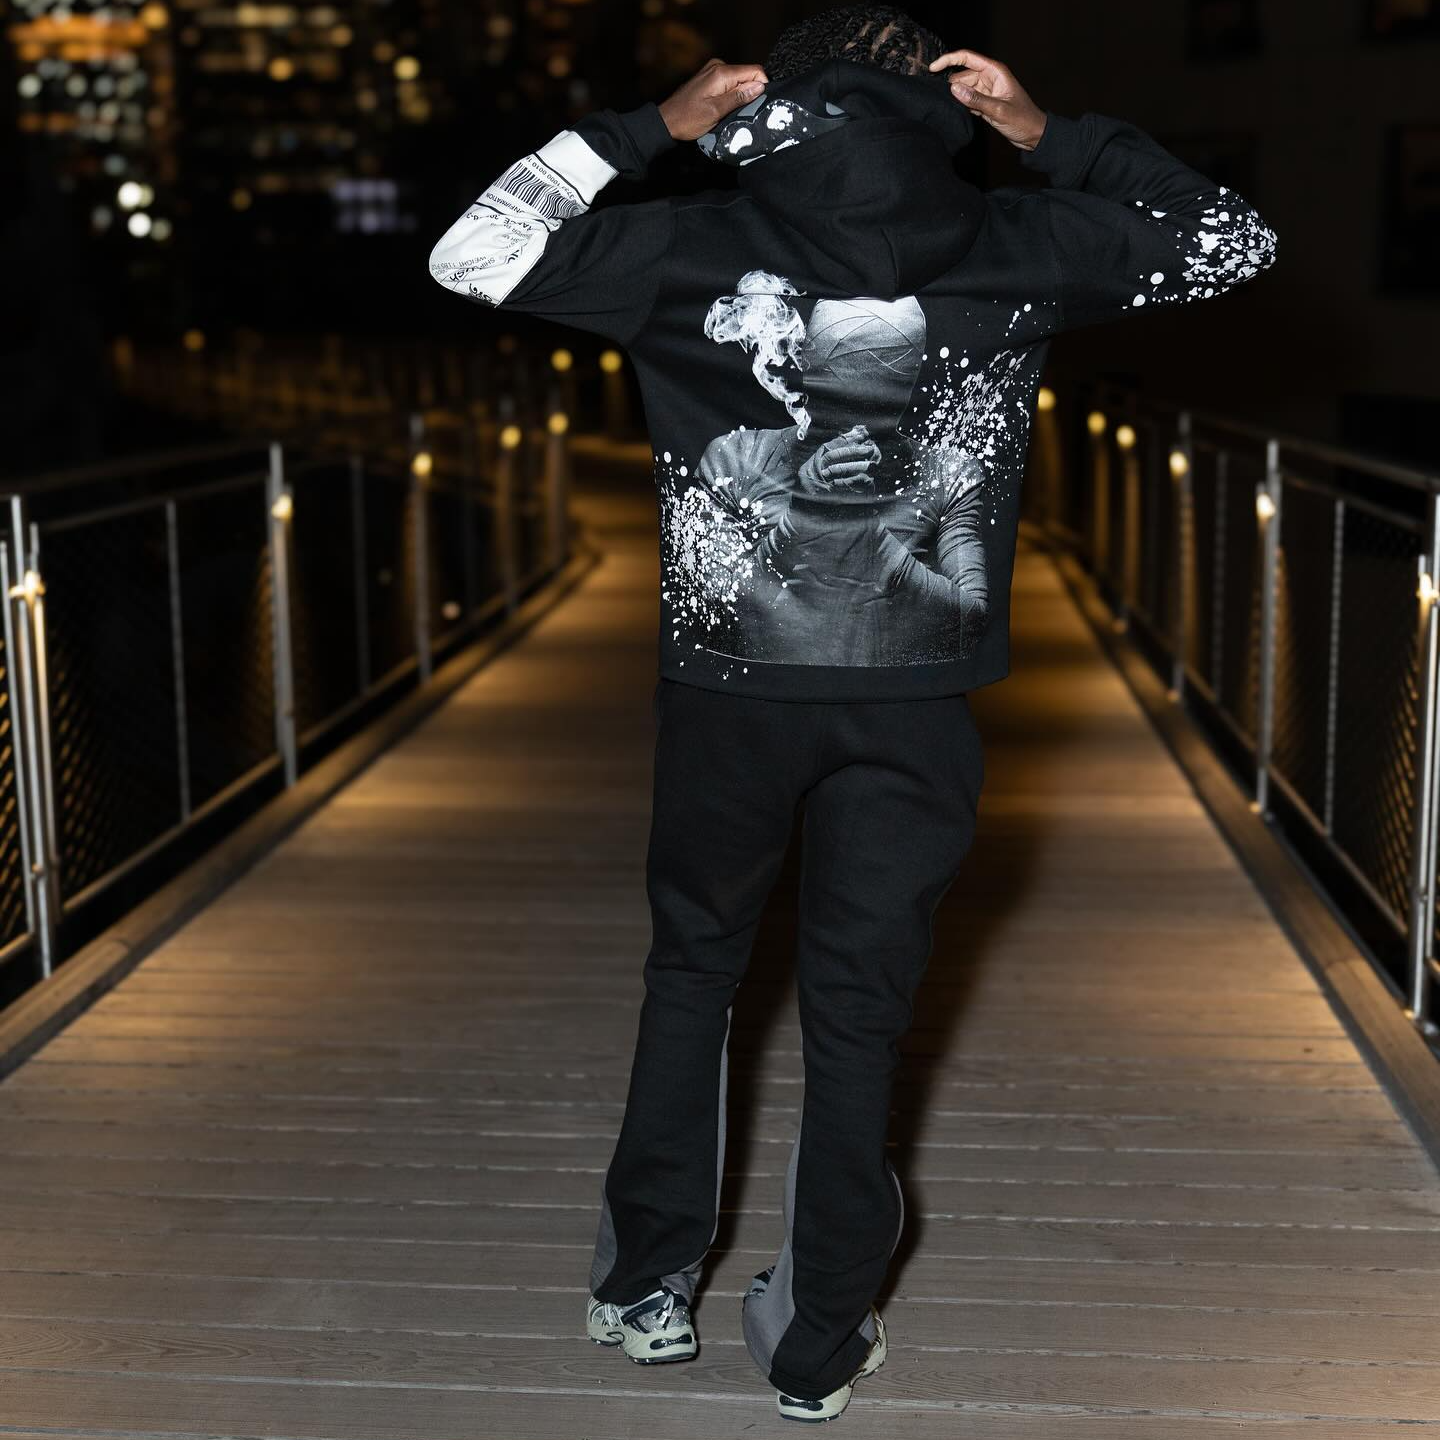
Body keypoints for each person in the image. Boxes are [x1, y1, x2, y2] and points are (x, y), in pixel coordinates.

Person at [428, 5, 1279, 1422]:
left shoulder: (689, 244)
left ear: (761, 94)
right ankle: (819, 1336)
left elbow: (471, 254)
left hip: (729, 699)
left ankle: (647, 1285)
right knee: (860, 1017)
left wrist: (652, 129)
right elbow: (1233, 241)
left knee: (695, 974)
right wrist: (1051, 136)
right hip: (917, 706)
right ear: (942, 100)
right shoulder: (1016, 240)